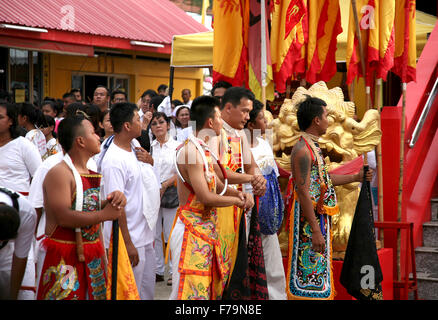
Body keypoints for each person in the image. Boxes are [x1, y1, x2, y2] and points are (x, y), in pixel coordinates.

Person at [286, 95, 373, 300]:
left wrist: (355, 176)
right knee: (309, 280)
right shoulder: (302, 150)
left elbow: (323, 179)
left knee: (317, 276)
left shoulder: (313, 146)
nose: (328, 120)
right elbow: (304, 192)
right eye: (326, 116)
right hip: (309, 221)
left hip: (318, 218)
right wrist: (315, 230)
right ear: (316, 120)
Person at [168, 95, 250, 300]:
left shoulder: (201, 149)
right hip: (190, 229)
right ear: (210, 122)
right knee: (189, 292)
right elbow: (205, 196)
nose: (222, 122)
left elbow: (216, 182)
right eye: (219, 118)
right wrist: (238, 201)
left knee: (207, 289)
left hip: (204, 228)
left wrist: (238, 192)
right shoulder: (190, 151)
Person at [36, 115, 125, 300]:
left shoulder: (87, 171)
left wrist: (110, 201)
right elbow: (64, 217)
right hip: (66, 257)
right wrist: (104, 214)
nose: (98, 137)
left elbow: (85, 206)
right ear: (81, 141)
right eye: (93, 132)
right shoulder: (60, 173)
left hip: (91, 255)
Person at [209, 86, 266, 298]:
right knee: (218, 268)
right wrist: (252, 180)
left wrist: (258, 179)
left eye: (249, 112)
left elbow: (251, 166)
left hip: (238, 208)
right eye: (243, 111)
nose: (247, 116)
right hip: (218, 209)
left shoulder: (239, 133)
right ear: (228, 108)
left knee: (234, 265)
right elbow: (217, 175)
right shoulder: (214, 133)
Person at [100, 102, 157, 300]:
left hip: (145, 233)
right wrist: (128, 243)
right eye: (137, 119)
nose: (142, 123)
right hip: (128, 238)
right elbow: (116, 205)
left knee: (146, 291)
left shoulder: (134, 145)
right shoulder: (114, 161)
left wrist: (150, 161)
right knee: (129, 292)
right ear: (126, 126)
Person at [245, 100, 287, 300]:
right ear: (251, 124)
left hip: (269, 216)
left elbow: (275, 179)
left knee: (273, 263)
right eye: (262, 118)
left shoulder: (263, 143)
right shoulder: (242, 148)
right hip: (249, 213)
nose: (267, 123)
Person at [149, 112, 180, 286]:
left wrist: (166, 184)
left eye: (161, 122)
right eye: (154, 123)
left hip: (171, 193)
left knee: (171, 234)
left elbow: (181, 172)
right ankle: (158, 270)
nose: (158, 126)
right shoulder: (150, 147)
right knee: (154, 234)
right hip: (153, 193)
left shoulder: (177, 146)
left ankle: (173, 272)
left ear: (168, 125)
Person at [0, 187, 37, 300]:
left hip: (10, 252)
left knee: (25, 296)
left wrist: (13, 296)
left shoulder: (27, 213)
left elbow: (20, 257)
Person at [0, 102, 42, 196]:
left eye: (0, 117)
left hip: (19, 205)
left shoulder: (24, 145)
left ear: (10, 121)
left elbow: (39, 176)